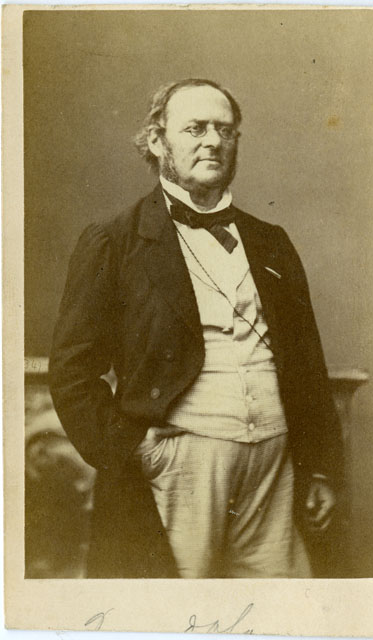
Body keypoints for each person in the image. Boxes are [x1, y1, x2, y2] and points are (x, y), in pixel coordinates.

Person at [49, 78, 344, 579]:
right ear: (157, 140)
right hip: (179, 469)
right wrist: (136, 451)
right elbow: (72, 372)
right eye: (196, 128)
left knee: (281, 607)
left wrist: (319, 467)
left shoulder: (271, 241)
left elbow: (307, 364)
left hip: (274, 469)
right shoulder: (113, 240)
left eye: (225, 130)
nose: (213, 141)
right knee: (179, 608)